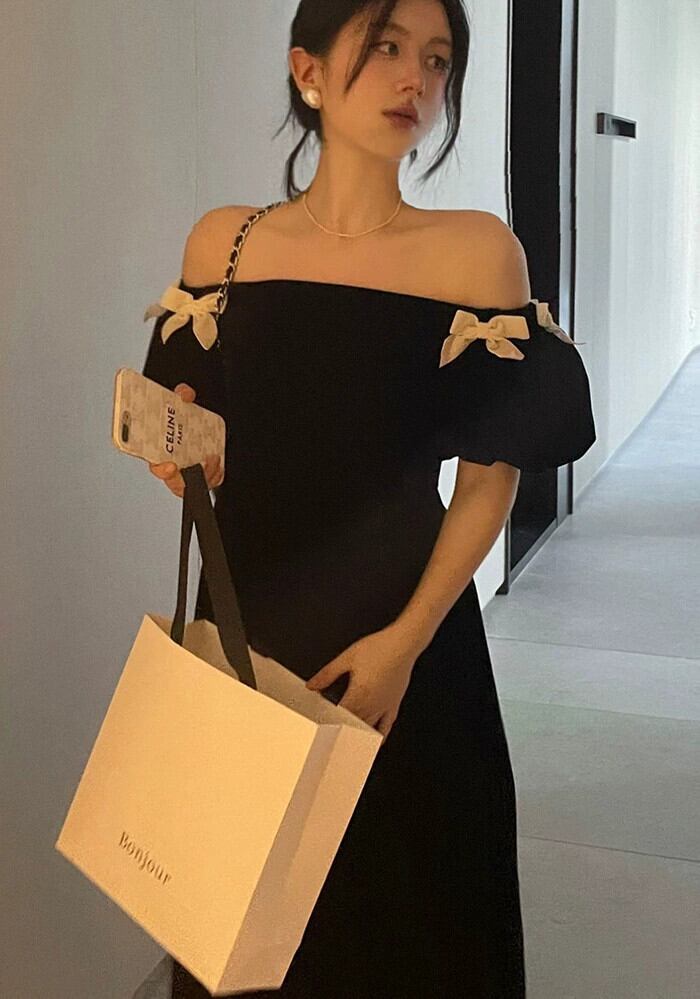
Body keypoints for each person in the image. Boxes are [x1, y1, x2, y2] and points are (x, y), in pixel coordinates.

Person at [135, 1, 596, 996]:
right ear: (308, 71)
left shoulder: (476, 252)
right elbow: (206, 436)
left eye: (436, 60)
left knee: (412, 919)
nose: (414, 80)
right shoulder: (224, 244)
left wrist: (405, 644)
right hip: (252, 626)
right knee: (242, 917)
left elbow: (491, 477)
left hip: (407, 641)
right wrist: (182, 456)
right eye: (384, 48)